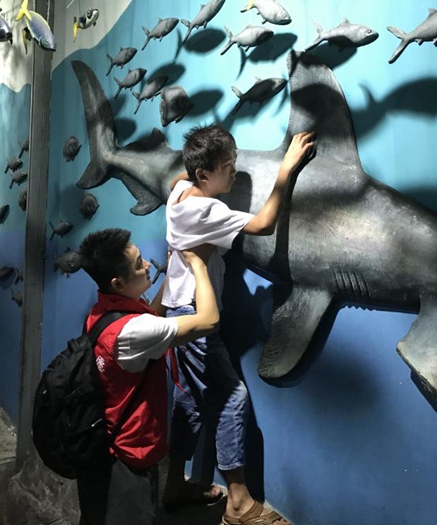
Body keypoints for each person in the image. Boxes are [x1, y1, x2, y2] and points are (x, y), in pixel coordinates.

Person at [162, 125, 315, 525]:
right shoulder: (207, 211)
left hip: (176, 309)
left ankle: (174, 484)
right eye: (227, 167)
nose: (234, 173)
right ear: (203, 174)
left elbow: (176, 180)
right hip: (195, 314)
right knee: (233, 398)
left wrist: (195, 176)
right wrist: (286, 169)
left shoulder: (181, 194)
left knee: (188, 401)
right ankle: (239, 502)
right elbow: (263, 224)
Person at [76, 227, 220, 525]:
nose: (146, 264)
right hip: (128, 454)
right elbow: (208, 321)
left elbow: (151, 316)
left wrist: (172, 272)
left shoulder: (104, 311)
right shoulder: (133, 332)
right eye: (138, 263)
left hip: (104, 443)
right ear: (118, 282)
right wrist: (199, 264)